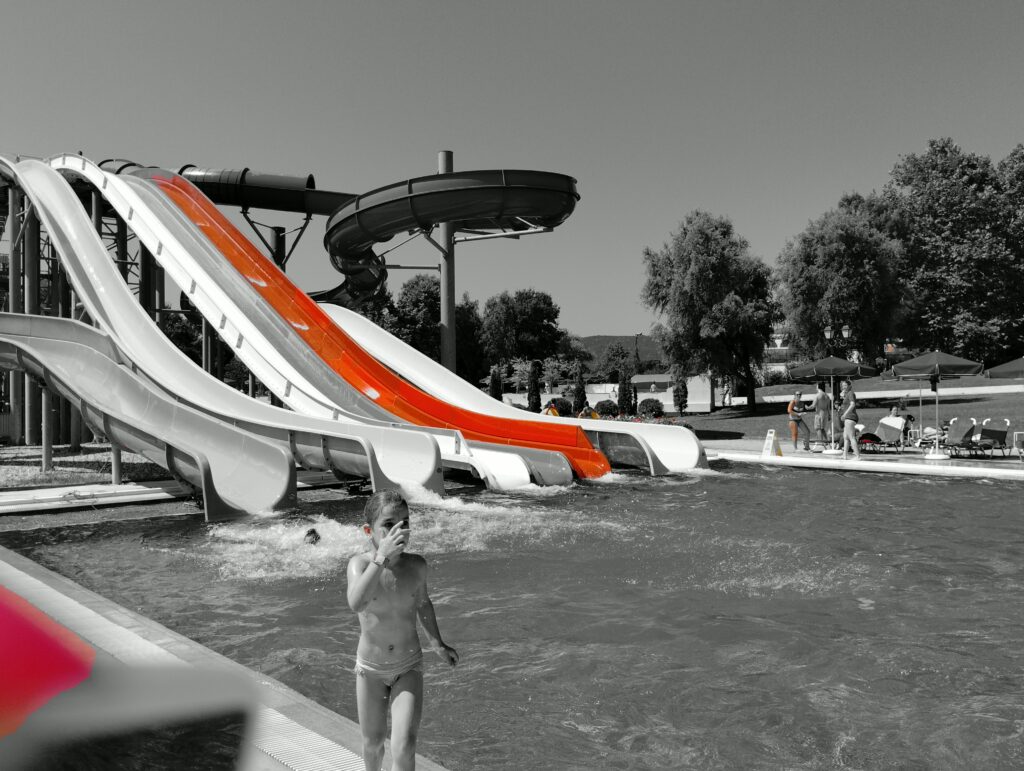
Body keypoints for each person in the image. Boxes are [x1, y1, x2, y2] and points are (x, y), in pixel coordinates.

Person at [346, 491, 459, 771]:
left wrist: (437, 643)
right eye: (388, 524)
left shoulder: (416, 566)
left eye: (405, 522)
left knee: (405, 746)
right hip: (370, 670)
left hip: (408, 665)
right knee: (373, 744)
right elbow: (357, 603)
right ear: (369, 531)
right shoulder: (360, 565)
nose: (399, 530)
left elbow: (423, 603)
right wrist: (381, 559)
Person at [838, 379, 860, 459]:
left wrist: (845, 414)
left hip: (850, 417)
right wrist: (843, 396)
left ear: (849, 386)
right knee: (846, 437)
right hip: (848, 417)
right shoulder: (847, 394)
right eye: (842, 386)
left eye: (845, 385)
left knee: (851, 437)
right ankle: (844, 455)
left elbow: (852, 404)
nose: (843, 387)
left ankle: (857, 456)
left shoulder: (850, 393)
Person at [811, 382, 832, 447]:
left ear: (818, 387)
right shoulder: (827, 396)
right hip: (825, 414)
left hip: (819, 414)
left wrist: (807, 407)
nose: (816, 387)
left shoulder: (817, 395)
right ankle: (826, 442)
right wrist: (829, 415)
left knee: (818, 428)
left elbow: (813, 405)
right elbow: (828, 407)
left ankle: (821, 442)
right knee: (822, 429)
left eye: (817, 386)